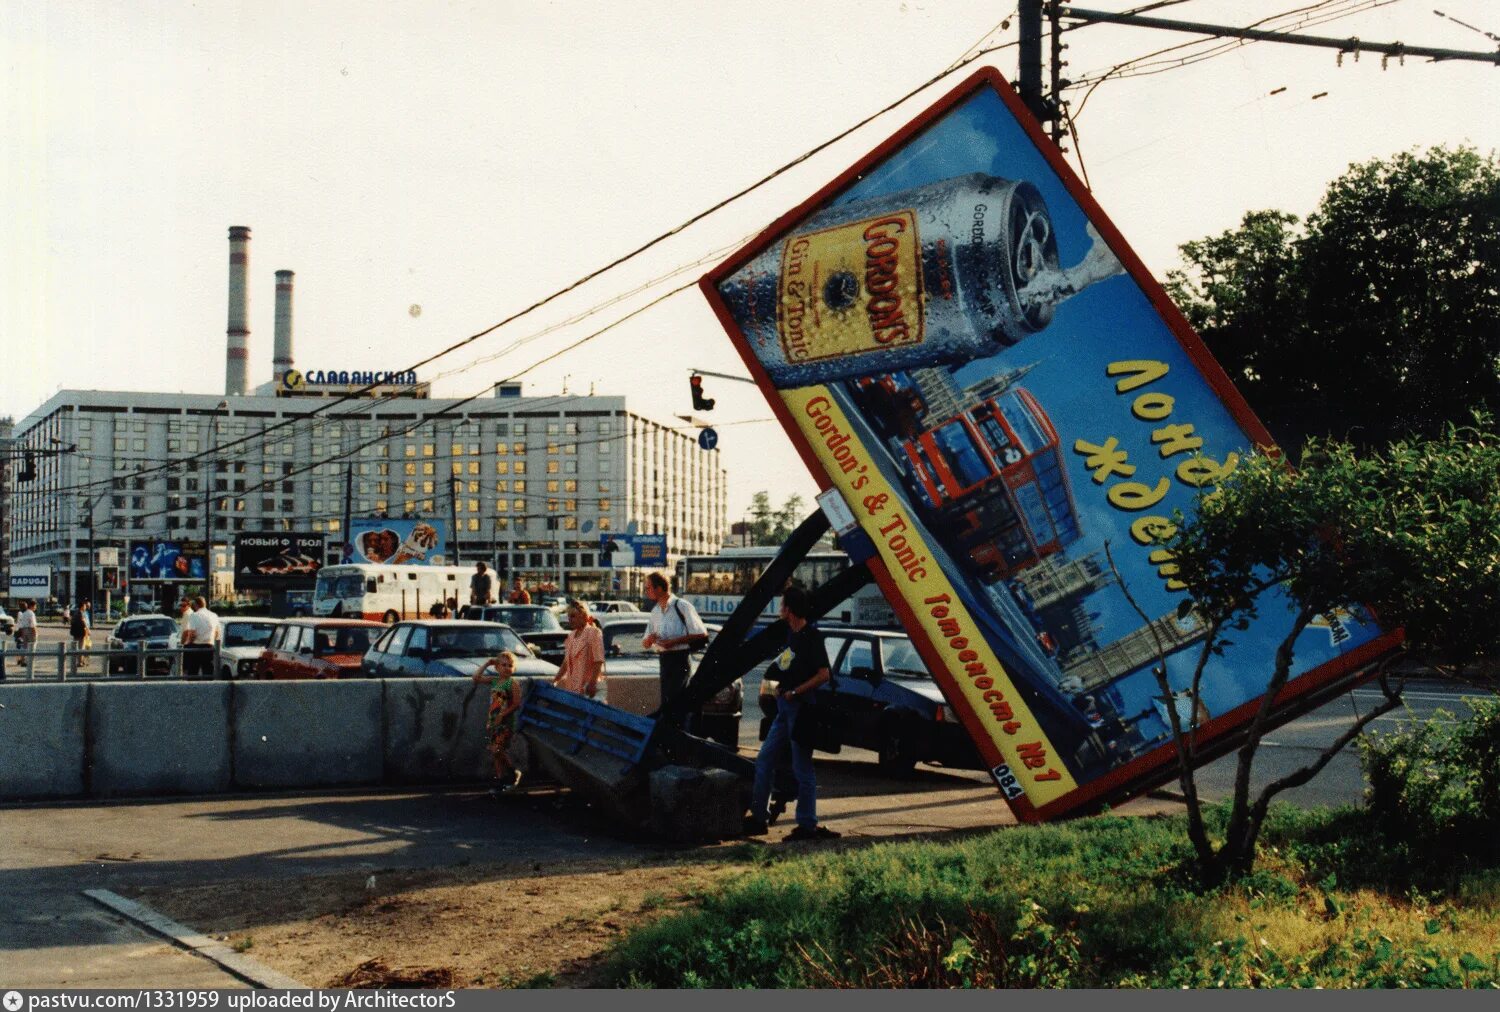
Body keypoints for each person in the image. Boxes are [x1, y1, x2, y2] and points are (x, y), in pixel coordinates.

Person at [746, 585, 840, 841]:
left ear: (789, 609)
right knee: (765, 759)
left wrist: (796, 692)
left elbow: (824, 674)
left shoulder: (812, 636)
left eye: (782, 605)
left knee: (802, 767)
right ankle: (758, 818)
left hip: (801, 708)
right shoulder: (792, 635)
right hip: (785, 708)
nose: (779, 609)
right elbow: (786, 665)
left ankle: (807, 825)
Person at [641, 571, 707, 729]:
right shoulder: (655, 611)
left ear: (659, 588)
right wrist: (649, 640)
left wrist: (674, 642)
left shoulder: (682, 606)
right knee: (667, 701)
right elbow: (645, 642)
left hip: (680, 658)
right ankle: (669, 740)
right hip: (664, 660)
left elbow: (701, 633)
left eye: (648, 588)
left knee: (676, 702)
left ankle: (678, 740)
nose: (646, 591)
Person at [472, 650, 525, 795]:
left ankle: (513, 772)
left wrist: (503, 714)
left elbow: (516, 703)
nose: (507, 668)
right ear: (497, 667)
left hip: (505, 722)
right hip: (493, 720)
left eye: (510, 665)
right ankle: (501, 779)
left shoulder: (512, 683)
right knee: (495, 752)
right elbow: (476, 678)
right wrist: (487, 663)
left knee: (497, 749)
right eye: (503, 665)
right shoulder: (495, 681)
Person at [552, 600, 604, 698]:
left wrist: (592, 683)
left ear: (583, 615)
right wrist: (555, 680)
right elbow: (566, 662)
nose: (570, 620)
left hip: (588, 688)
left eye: (573, 616)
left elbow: (599, 661)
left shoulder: (594, 633)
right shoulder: (571, 636)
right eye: (568, 617)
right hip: (573, 688)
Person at [181, 597, 217, 679]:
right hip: (209, 647)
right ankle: (208, 689)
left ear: (196, 605)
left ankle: (194, 690)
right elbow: (217, 633)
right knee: (208, 672)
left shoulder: (194, 615)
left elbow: (192, 634)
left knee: (193, 672)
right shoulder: (214, 615)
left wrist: (187, 643)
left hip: (196, 647)